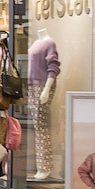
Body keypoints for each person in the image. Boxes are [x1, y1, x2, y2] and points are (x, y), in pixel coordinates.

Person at [28, 28, 59, 179]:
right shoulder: (37, 42)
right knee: (38, 127)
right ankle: (41, 165)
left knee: (42, 128)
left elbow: (53, 67)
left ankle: (45, 166)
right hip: (33, 87)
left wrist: (46, 89)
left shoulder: (49, 43)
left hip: (42, 87)